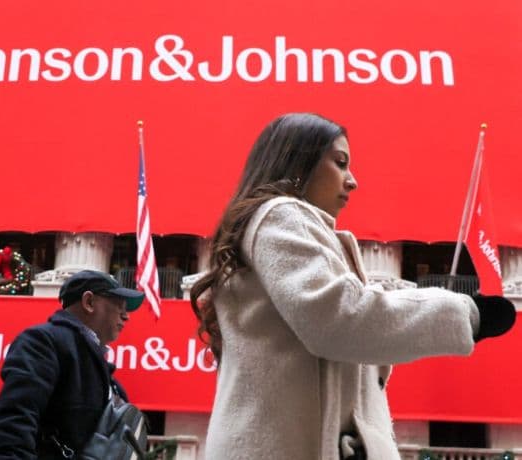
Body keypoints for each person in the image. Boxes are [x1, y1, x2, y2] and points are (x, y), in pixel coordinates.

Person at [190, 113, 516, 460]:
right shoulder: (280, 215)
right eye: (340, 163)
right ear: (299, 160)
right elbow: (339, 318)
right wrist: (463, 313)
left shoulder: (283, 227)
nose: (352, 181)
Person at [0, 270, 145, 459]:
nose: (125, 316)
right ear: (89, 302)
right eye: (119, 305)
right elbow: (14, 420)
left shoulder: (110, 380)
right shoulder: (43, 341)